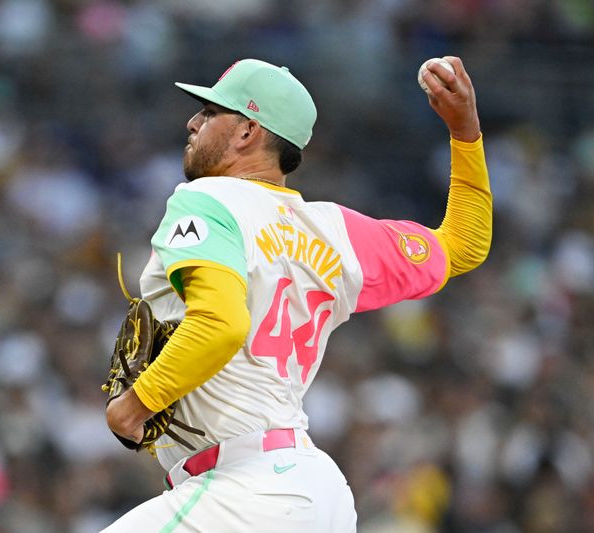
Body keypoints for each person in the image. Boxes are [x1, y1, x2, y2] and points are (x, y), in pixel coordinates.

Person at [103, 57, 492, 532]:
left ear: (247, 131)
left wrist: (134, 405)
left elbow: (220, 324)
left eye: (209, 112)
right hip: (314, 493)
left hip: (242, 492)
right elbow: (464, 244)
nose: (194, 122)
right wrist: (465, 132)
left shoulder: (208, 200)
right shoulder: (336, 231)